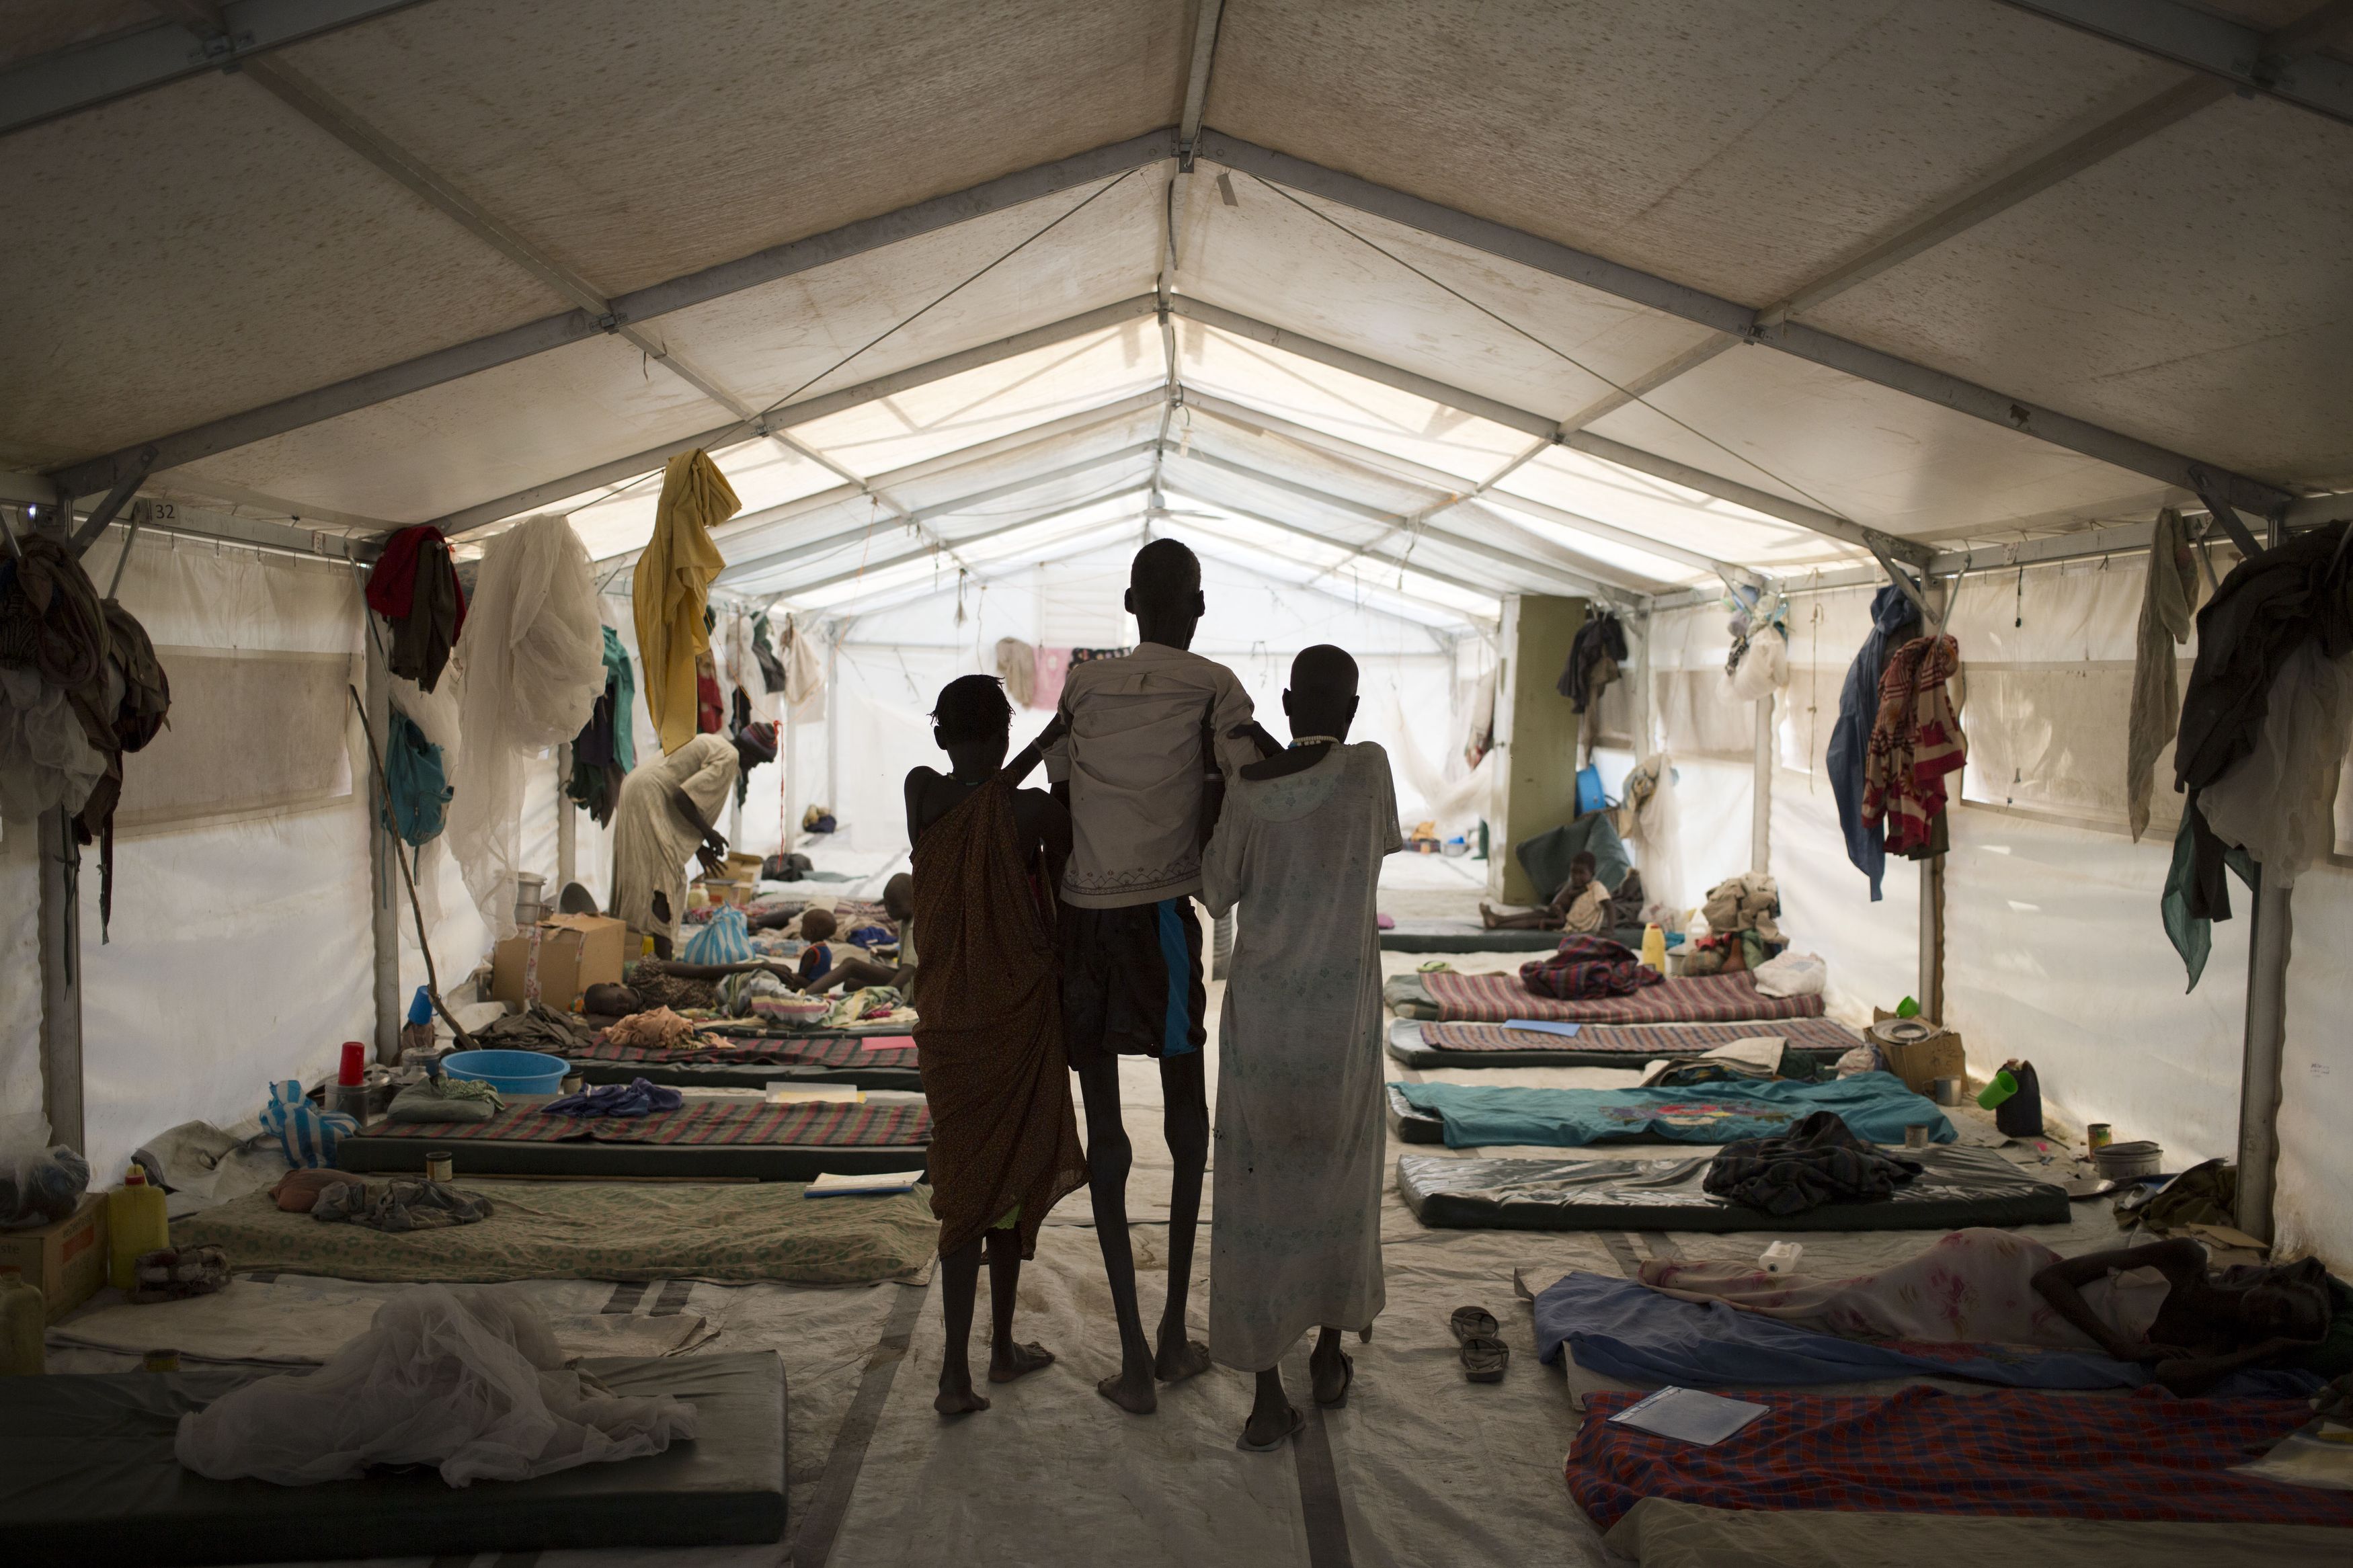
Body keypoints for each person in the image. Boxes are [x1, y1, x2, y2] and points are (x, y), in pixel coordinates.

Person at [1041, 538, 1261, 1413]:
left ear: (1131, 605)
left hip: (1082, 923)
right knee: (1186, 1124)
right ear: (1196, 608)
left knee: (1108, 1136)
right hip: (1163, 923)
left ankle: (1135, 1356)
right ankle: (1172, 1336)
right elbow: (1254, 778)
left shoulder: (1086, 685)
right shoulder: (1215, 684)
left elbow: (1055, 794)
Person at [1200, 647, 1400, 1450]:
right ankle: (1326, 1355)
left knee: (1256, 1203)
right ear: (1351, 710)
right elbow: (1355, 814)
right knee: (1337, 1187)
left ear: (1284, 703)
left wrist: (1238, 775)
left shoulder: (1248, 798)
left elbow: (1215, 891)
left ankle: (1262, 1395)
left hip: (1264, 1028)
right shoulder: (1370, 772)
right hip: (1340, 1029)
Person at [906, 675, 1086, 1415]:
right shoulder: (1032, 812)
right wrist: (1054, 746)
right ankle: (999, 1346)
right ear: (1008, 736)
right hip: (1017, 1019)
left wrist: (1037, 744)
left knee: (965, 1191)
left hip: (949, 1022)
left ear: (942, 736)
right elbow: (1065, 857)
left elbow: (973, 797)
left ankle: (959, 1369)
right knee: (1010, 1180)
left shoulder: (923, 793)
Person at [1639, 1228, 2333, 1394]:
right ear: (2275, 1278)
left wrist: (2265, 1354)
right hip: (2003, 1273)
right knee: (1849, 1302)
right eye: (2284, 1299)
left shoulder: (2215, 1338)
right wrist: (2116, 1345)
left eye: (2279, 1323)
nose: (2271, 1309)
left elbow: (2178, 1384)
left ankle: (1710, 1281)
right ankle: (1695, 1280)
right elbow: (2058, 1278)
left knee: (1855, 1306)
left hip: (2028, 1329)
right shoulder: (2186, 1259)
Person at [609, 726, 773, 958]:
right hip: (648, 796)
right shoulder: (730, 757)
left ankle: (635, 952)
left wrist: (699, 847)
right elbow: (683, 797)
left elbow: (679, 792)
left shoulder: (716, 742)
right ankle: (665, 965)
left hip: (638, 789)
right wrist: (709, 833)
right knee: (667, 880)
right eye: (758, 762)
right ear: (749, 752)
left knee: (648, 877)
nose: (754, 767)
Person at [795, 875, 920, 997]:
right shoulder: (906, 919)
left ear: (913, 901)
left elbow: (908, 971)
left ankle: (802, 997)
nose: (889, 910)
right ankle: (814, 993)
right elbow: (915, 955)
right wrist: (891, 953)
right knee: (850, 984)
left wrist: (884, 994)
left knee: (851, 965)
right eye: (886, 904)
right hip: (910, 982)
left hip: (914, 988)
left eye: (895, 906)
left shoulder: (913, 927)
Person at [1480, 850, 1610, 932]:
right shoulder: (1575, 885)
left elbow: (1608, 906)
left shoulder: (1588, 889)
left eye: (1581, 873)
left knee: (1531, 922)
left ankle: (1499, 925)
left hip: (1560, 919)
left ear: (1592, 874)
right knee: (1531, 914)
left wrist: (1610, 929)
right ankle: (1499, 919)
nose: (1576, 877)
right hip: (1552, 911)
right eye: (1573, 872)